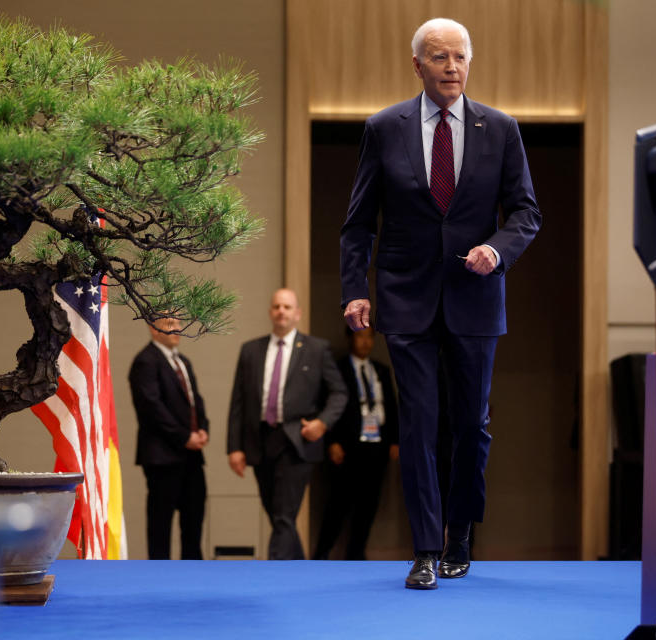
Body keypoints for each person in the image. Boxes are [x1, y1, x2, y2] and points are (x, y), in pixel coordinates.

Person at [339, 18, 541, 589]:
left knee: (471, 426)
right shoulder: (384, 128)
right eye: (439, 57)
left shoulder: (500, 128)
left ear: (469, 64)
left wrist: (497, 252)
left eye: (459, 57)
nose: (451, 66)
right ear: (417, 65)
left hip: (476, 300)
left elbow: (526, 212)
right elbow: (358, 224)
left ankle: (460, 534)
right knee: (421, 424)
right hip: (406, 300)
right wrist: (355, 288)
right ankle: (425, 549)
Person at [227, 288, 348, 560]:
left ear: (297, 313)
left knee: (284, 515)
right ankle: (301, 569)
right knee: (278, 515)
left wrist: (322, 423)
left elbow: (339, 392)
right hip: (260, 441)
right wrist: (234, 447)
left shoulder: (316, 349)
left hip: (297, 440)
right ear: (271, 312)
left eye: (287, 307)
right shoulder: (251, 350)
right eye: (277, 306)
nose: (281, 311)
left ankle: (274, 576)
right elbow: (238, 402)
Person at [313, 325, 398, 560]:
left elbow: (391, 407)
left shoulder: (380, 370)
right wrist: (331, 441)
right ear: (350, 338)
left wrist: (394, 440)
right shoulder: (338, 369)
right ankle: (321, 555)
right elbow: (325, 405)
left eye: (369, 337)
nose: (365, 342)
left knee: (369, 505)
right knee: (338, 505)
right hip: (348, 446)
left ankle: (357, 554)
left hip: (376, 446)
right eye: (360, 337)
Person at [129, 316, 209, 560]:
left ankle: (194, 577)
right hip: (162, 456)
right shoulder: (145, 361)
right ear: (153, 329)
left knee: (194, 521)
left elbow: (196, 401)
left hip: (192, 455)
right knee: (161, 526)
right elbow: (153, 409)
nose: (177, 329)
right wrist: (184, 436)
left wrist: (203, 428)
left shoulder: (182, 361)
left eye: (178, 323)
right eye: (168, 324)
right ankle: (158, 580)